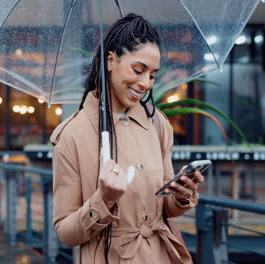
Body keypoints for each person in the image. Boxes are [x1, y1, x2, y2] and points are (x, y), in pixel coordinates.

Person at [51, 14, 204, 264]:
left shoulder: (158, 124)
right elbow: (66, 234)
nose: (146, 83)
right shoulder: (72, 135)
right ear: (110, 61)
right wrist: (104, 199)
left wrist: (181, 195)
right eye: (138, 70)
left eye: (153, 75)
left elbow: (165, 208)